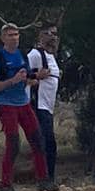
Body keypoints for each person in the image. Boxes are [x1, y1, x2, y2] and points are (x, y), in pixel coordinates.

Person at [0, 23, 51, 191]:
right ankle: (5, 184)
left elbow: (27, 75)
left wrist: (36, 77)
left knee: (37, 140)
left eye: (16, 34)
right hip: (7, 104)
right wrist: (12, 81)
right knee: (13, 143)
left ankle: (43, 179)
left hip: (23, 102)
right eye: (10, 35)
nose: (14, 38)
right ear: (3, 38)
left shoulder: (22, 55)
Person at [28, 22, 62, 181]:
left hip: (48, 106)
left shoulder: (51, 57)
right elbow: (25, 76)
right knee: (46, 142)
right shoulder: (36, 55)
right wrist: (35, 78)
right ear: (41, 35)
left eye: (55, 34)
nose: (54, 37)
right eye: (50, 33)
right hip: (39, 105)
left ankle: (48, 176)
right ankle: (45, 177)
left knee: (48, 143)